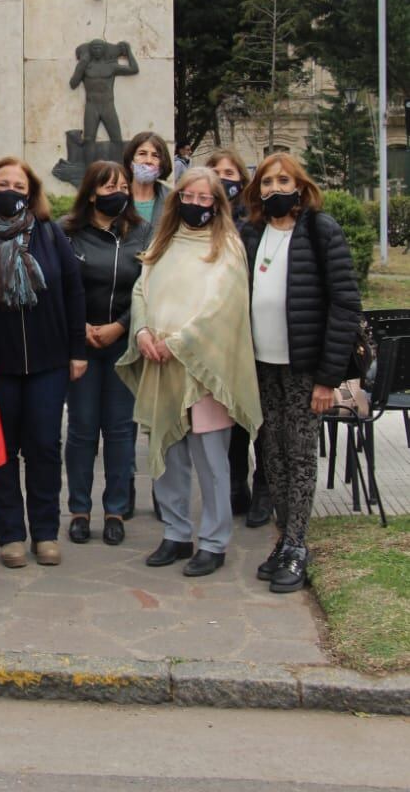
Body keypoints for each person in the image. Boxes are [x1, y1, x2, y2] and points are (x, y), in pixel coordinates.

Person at [117, 167, 262, 577]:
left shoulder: (228, 246)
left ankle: (214, 541)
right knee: (166, 453)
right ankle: (177, 534)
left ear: (217, 204)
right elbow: (142, 288)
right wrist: (142, 330)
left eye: (205, 198)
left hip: (203, 369)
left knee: (211, 459)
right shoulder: (163, 242)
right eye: (189, 196)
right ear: (177, 197)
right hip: (160, 364)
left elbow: (223, 304)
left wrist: (179, 342)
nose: (196, 204)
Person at [240, 154, 361, 593]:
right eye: (267, 182)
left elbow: (345, 305)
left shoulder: (319, 230)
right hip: (261, 366)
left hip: (304, 369)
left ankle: (297, 544)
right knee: (270, 452)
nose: (275, 188)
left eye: (283, 180)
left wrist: (328, 378)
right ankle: (284, 538)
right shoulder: (252, 232)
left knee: (300, 453)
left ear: (299, 185)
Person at [0, 157, 86, 567]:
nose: (11, 190)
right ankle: (10, 534)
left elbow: (73, 293)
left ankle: (45, 532)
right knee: (1, 451)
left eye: (18, 185)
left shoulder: (51, 235)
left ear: (31, 191)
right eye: (2, 183)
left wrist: (78, 350)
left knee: (43, 446)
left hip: (49, 361)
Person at [61, 161, 152, 544]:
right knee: (82, 431)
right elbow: (59, 286)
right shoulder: (67, 232)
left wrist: (121, 325)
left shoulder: (142, 234)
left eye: (123, 186)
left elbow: (149, 289)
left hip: (123, 344)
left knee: (120, 432)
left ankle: (116, 509)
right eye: (109, 185)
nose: (118, 192)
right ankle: (79, 510)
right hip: (80, 345)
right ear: (92, 191)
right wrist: (78, 327)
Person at [205, 147, 271, 527]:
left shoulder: (256, 224)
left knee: (256, 417)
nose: (223, 179)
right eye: (216, 172)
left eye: (230, 174)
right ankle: (235, 485)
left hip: (256, 334)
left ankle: (264, 488)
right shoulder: (199, 222)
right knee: (228, 416)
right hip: (220, 337)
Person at [123, 131, 172, 231]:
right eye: (142, 154)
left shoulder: (172, 199)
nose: (148, 161)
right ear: (130, 161)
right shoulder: (116, 196)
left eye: (155, 156)